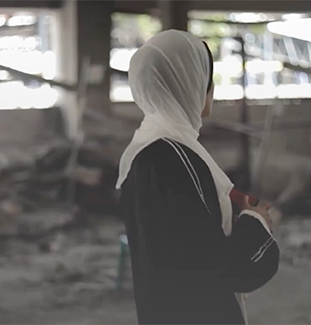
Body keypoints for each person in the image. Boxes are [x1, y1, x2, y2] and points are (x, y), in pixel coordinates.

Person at [116, 29, 280, 325]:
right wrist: (256, 221)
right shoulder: (171, 158)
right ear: (186, 83)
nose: (210, 88)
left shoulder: (147, 149)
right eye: (204, 77)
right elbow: (228, 266)